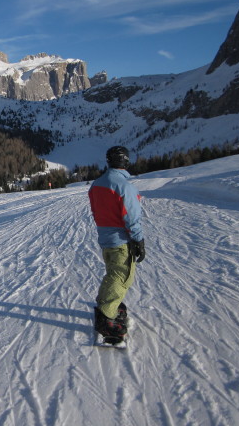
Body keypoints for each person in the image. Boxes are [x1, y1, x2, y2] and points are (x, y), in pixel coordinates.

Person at [88, 146, 145, 341]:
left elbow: (96, 211)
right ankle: (106, 316)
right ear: (126, 161)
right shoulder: (125, 186)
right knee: (122, 276)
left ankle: (107, 304)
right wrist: (138, 239)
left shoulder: (97, 184)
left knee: (113, 273)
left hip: (106, 239)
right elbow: (131, 216)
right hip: (121, 240)